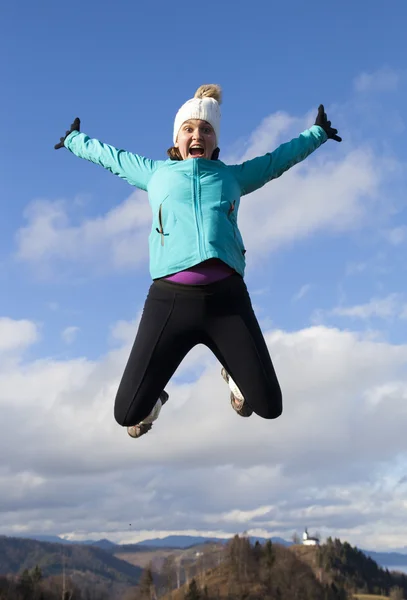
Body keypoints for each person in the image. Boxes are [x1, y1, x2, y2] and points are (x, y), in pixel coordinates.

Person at [55, 84, 341, 439]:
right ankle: (155, 398)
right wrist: (74, 140)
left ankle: (234, 377)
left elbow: (276, 161)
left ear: (214, 142)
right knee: (127, 412)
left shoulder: (231, 176)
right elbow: (112, 157)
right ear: (177, 141)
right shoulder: (155, 173)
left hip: (227, 301)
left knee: (269, 406)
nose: (197, 135)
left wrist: (317, 134)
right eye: (189, 129)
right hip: (169, 302)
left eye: (205, 129)